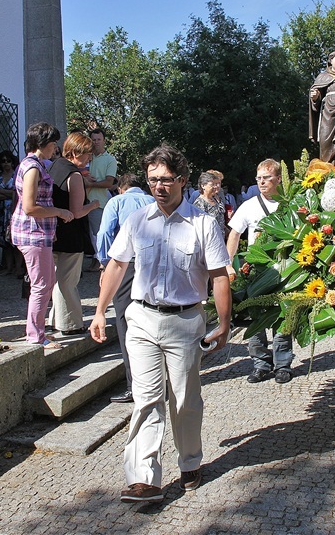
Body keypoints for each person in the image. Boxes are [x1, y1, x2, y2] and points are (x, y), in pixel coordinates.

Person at [89, 144, 231, 503]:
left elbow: (218, 276)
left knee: (184, 400)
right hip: (141, 319)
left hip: (185, 321)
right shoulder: (137, 221)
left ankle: (190, 461)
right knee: (147, 398)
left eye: (166, 180)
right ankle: (144, 478)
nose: (159, 187)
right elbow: (116, 266)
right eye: (153, 180)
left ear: (182, 180)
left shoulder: (203, 224)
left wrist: (224, 323)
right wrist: (99, 311)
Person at [225, 159, 295, 384]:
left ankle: (283, 364)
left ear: (278, 179)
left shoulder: (289, 204)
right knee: (255, 317)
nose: (262, 182)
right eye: (259, 178)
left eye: (266, 178)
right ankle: (260, 364)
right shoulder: (249, 205)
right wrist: (228, 263)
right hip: (255, 269)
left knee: (282, 316)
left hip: (284, 268)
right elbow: (235, 234)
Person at [12, 122, 73, 349]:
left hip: (39, 233)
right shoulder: (32, 167)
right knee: (41, 285)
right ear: (44, 144)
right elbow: (30, 207)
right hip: (32, 234)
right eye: (53, 143)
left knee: (46, 283)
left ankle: (37, 331)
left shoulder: (35, 165)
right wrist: (59, 212)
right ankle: (35, 336)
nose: (55, 148)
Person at [96, 173, 154, 404]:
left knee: (124, 322)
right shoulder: (153, 201)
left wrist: (103, 264)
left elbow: (104, 234)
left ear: (121, 187)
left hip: (126, 265)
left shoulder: (117, 202)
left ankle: (134, 386)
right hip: (152, 265)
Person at [47, 132, 99, 335]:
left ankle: (55, 319)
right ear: (77, 152)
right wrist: (93, 205)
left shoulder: (53, 167)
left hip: (53, 231)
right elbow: (77, 212)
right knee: (68, 281)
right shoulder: (74, 175)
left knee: (57, 279)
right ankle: (70, 324)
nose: (89, 159)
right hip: (70, 233)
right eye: (87, 154)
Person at [85, 128, 118, 270]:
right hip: (82, 201)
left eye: (99, 139)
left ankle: (104, 264)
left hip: (97, 203)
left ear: (104, 141)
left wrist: (90, 184)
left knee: (98, 234)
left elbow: (109, 182)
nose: (96, 142)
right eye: (94, 139)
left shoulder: (110, 160)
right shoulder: (86, 157)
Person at [0, 150, 23, 276]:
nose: (6, 164)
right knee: (5, 242)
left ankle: (18, 267)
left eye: (8, 161)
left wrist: (1, 190)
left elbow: (17, 193)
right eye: (3, 161)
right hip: (0, 213)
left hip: (14, 211)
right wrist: (8, 193)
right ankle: (8, 268)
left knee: (16, 241)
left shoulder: (17, 175)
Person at [193, 171, 227, 238]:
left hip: (220, 239)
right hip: (208, 241)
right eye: (212, 184)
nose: (215, 186)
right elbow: (200, 227)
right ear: (203, 186)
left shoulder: (214, 199)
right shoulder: (200, 203)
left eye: (217, 184)